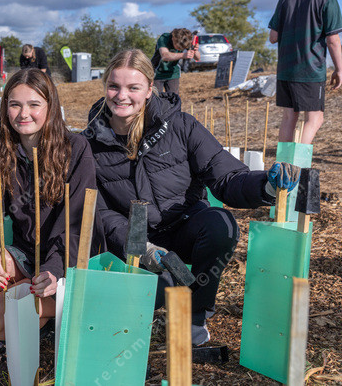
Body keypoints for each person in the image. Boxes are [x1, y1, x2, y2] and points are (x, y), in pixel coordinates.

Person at [83, 49, 301, 345]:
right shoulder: (89, 145)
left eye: (133, 87)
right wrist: (142, 248)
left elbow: (225, 176)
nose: (122, 96)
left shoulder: (181, 126)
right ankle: (148, 300)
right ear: (105, 87)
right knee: (159, 290)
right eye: (114, 86)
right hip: (133, 240)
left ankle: (193, 315)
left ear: (149, 89)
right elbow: (101, 212)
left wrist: (266, 186)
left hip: (184, 227)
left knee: (220, 225)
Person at [0, 68, 96, 340]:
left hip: (67, 261)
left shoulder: (75, 149)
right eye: (15, 104)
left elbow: (77, 227)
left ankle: (58, 304)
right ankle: (34, 300)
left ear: (50, 107)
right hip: (27, 257)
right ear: (5, 107)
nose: (23, 113)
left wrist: (54, 270)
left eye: (34, 104)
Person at [269, 0, 342, 144]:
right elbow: (333, 41)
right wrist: (339, 69)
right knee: (315, 119)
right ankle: (298, 161)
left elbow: (273, 37)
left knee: (289, 118)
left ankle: (284, 162)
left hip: (285, 70)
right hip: (310, 71)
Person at [152, 28, 199, 95]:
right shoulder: (164, 38)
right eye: (179, 47)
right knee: (155, 97)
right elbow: (165, 56)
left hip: (173, 73)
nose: (180, 49)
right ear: (173, 38)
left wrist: (195, 50)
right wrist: (183, 55)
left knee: (174, 98)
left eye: (182, 48)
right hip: (157, 73)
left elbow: (198, 58)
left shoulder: (184, 40)